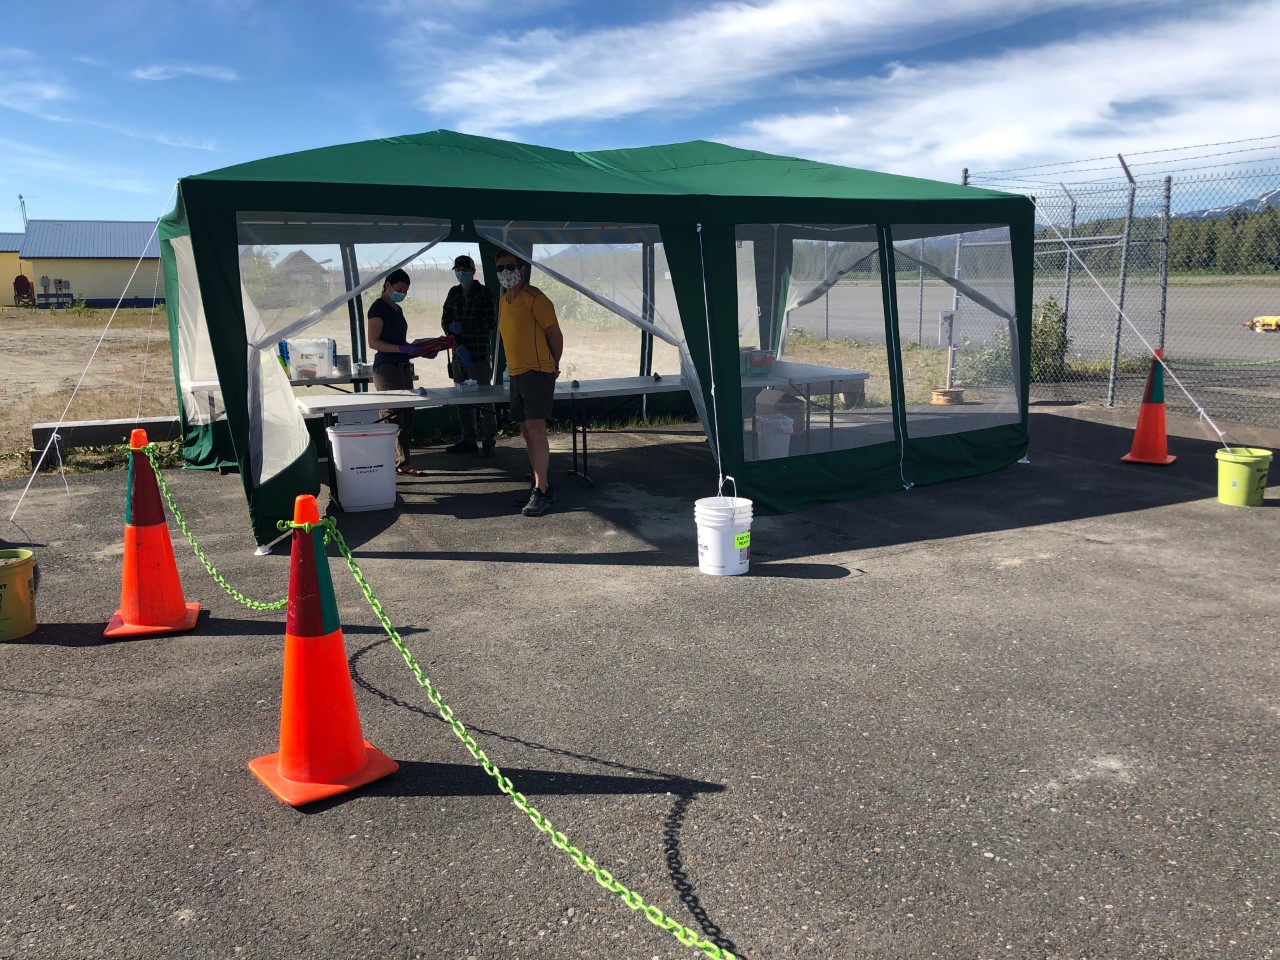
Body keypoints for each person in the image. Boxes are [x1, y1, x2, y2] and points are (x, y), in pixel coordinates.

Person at [495, 251, 563, 517]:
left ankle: (542, 490)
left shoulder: (536, 298)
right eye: (500, 268)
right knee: (525, 432)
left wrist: (553, 365)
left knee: (536, 432)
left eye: (510, 267)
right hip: (516, 373)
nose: (504, 272)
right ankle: (538, 483)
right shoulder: (504, 301)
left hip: (537, 372)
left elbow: (555, 334)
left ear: (522, 270)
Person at [367, 268, 428, 476]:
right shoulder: (378, 308)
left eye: (404, 291)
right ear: (387, 285)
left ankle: (403, 463)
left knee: (407, 416)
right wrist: (402, 349)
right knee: (391, 416)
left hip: (402, 366)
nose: (401, 294)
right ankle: (389, 463)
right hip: (386, 368)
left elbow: (400, 342)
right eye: (399, 289)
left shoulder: (396, 309)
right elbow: (373, 342)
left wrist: (419, 350)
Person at [440, 254, 497, 457]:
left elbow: (489, 322)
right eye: (458, 271)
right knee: (462, 400)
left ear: (473, 272)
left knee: (484, 399)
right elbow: (445, 318)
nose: (461, 274)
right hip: (458, 355)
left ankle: (489, 441)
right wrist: (451, 332)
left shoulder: (484, 293)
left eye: (464, 271)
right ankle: (468, 439)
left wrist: (464, 329)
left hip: (479, 354)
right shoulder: (453, 293)